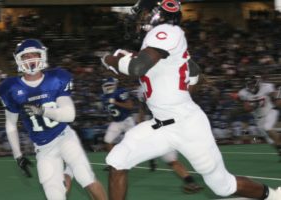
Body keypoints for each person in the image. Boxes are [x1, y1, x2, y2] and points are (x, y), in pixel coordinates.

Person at [100, 0, 281, 200]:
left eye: (143, 13)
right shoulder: (161, 45)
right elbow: (193, 75)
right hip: (161, 124)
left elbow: (136, 68)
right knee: (118, 160)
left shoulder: (169, 31)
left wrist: (110, 60)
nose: (139, 18)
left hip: (186, 125)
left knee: (223, 186)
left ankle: (273, 197)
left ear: (158, 14)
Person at [0, 39, 107, 200]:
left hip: (65, 138)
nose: (30, 59)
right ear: (18, 59)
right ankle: (68, 172)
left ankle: (71, 171)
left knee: (87, 179)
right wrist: (18, 155)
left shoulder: (56, 78)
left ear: (42, 56)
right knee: (55, 195)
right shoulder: (11, 88)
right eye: (25, 56)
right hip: (43, 148)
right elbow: (11, 124)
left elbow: (70, 114)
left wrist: (42, 111)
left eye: (33, 55)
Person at [136, 85, 203, 194]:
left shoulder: (142, 88)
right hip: (171, 124)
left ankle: (152, 158)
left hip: (160, 126)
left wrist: (140, 123)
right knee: (173, 160)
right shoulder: (166, 83)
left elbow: (142, 109)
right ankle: (191, 182)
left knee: (171, 159)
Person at [237, 75, 281, 153]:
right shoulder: (243, 93)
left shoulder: (266, 87)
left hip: (270, 111)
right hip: (258, 118)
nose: (251, 86)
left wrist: (276, 98)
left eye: (252, 84)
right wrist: (253, 107)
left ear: (257, 83)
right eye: (249, 84)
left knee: (267, 127)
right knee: (270, 140)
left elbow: (276, 95)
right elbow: (246, 108)